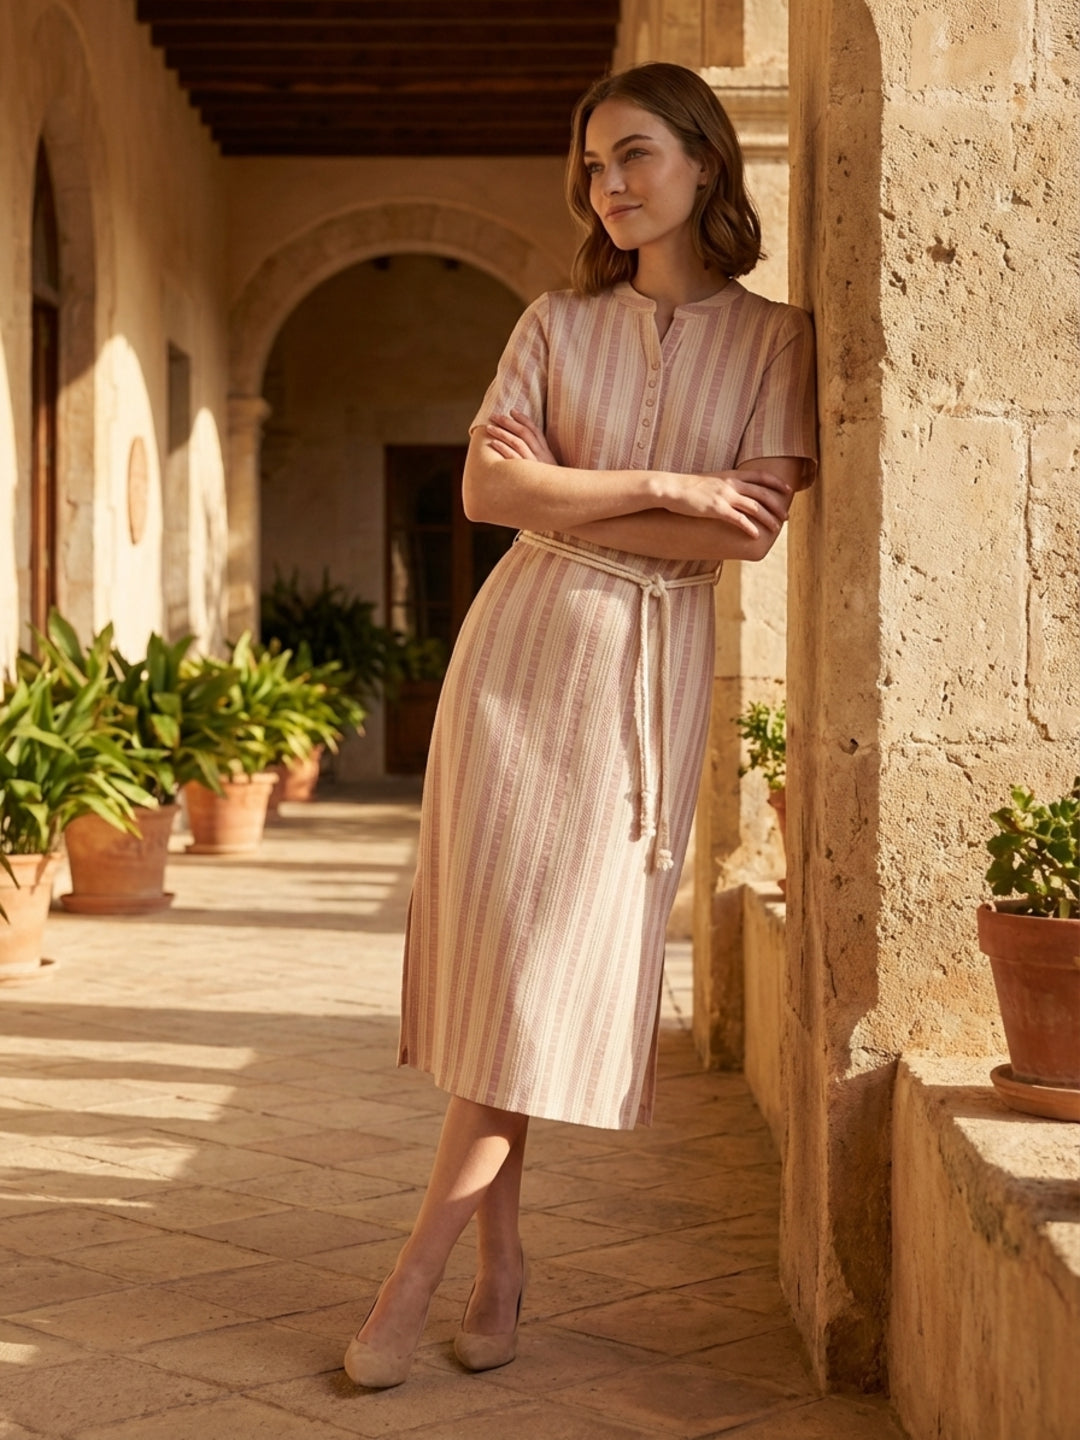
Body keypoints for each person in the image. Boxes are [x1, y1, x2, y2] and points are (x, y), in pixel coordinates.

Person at [344, 60, 817, 1389]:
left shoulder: (778, 340)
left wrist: (581, 492)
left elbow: (752, 528)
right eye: (593, 167)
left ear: (707, 163)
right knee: (501, 971)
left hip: (638, 674)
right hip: (515, 660)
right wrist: (665, 481)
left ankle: (423, 1276)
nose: (608, 187)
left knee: (540, 970)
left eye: (635, 158)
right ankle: (486, 1272)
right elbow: (492, 490)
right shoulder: (555, 318)